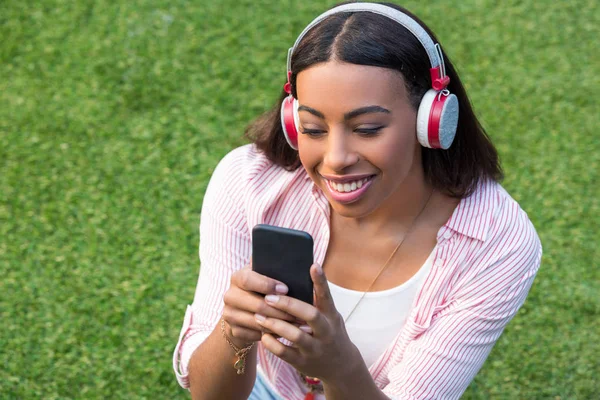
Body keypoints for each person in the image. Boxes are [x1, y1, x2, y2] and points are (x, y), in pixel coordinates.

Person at [172, 2, 542, 399]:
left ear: (432, 120)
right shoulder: (248, 182)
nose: (336, 159)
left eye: (367, 128)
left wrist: (341, 367)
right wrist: (234, 333)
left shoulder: (498, 244)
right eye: (313, 128)